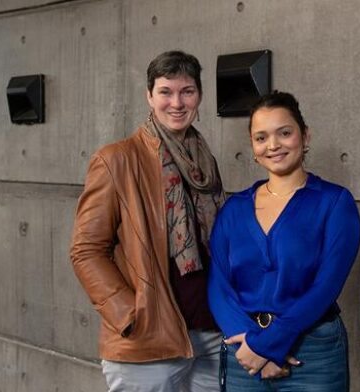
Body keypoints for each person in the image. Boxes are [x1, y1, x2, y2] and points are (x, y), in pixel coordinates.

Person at [70, 50, 224, 392]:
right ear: (149, 96)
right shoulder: (117, 159)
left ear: (199, 95)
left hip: (211, 331)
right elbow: (86, 250)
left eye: (187, 91)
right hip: (149, 339)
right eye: (166, 92)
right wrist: (129, 313)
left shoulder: (204, 161)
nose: (177, 103)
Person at [208, 91, 360, 391]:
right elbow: (218, 286)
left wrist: (269, 345)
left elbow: (326, 287)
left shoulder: (334, 203)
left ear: (305, 136)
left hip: (312, 351)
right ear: (253, 147)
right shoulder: (234, 209)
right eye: (261, 137)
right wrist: (250, 346)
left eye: (285, 133)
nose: (273, 145)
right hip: (243, 350)